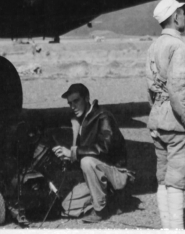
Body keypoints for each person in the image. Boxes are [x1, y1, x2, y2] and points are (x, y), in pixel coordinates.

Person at [146, 0, 185, 230]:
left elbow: (150, 88)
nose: (184, 16)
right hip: (178, 123)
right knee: (177, 182)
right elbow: (177, 88)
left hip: (158, 119)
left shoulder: (154, 46)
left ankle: (166, 227)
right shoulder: (177, 46)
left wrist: (158, 112)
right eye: (182, 12)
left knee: (163, 178)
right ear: (175, 17)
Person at [53, 83, 131, 222]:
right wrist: (65, 156)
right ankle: (110, 199)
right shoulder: (78, 121)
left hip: (116, 173)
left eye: (76, 101)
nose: (73, 106)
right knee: (67, 207)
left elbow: (104, 148)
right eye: (70, 103)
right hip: (97, 175)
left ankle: (100, 209)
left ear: (87, 98)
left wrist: (73, 152)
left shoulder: (103, 116)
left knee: (86, 161)